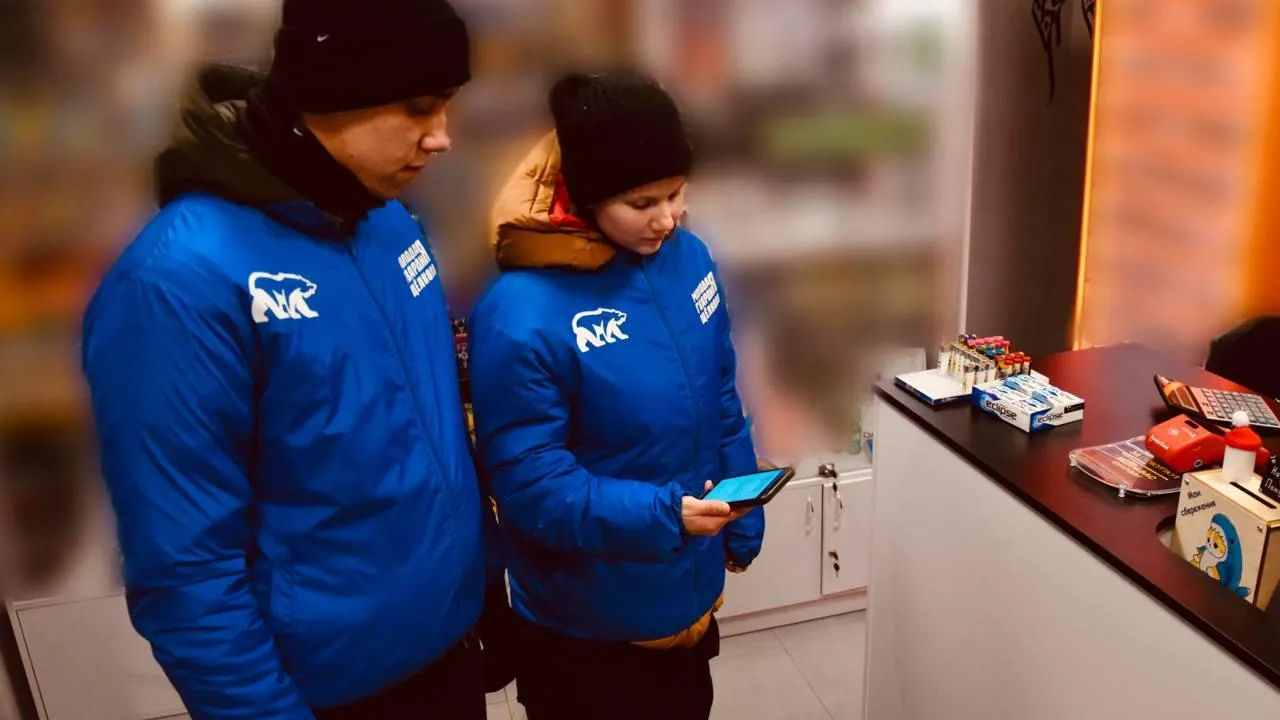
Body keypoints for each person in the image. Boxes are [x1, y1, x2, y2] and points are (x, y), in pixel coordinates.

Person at [79, 1, 513, 718]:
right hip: (325, 695)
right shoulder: (177, 283)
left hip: (447, 656)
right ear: (333, 89)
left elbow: (431, 433)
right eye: (418, 107)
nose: (442, 137)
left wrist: (485, 588)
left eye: (447, 105)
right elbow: (187, 572)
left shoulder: (387, 222)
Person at [468, 70, 766, 720]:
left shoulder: (689, 259)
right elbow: (530, 485)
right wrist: (665, 515)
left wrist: (744, 513)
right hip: (587, 630)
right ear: (588, 195)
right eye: (642, 202)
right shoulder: (521, 311)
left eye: (677, 193)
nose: (668, 217)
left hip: (686, 595)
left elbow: (719, 391)